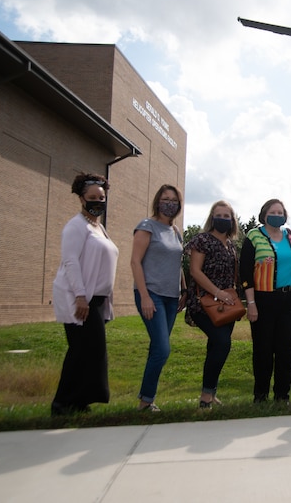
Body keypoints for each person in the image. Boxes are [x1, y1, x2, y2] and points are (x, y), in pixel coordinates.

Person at [51, 173, 119, 416]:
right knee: (82, 350)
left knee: (90, 351)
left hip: (96, 300)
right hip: (80, 298)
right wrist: (80, 296)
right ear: (81, 199)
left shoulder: (97, 227)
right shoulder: (76, 226)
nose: (98, 201)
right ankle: (62, 404)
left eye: (101, 197)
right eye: (92, 197)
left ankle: (79, 401)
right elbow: (71, 262)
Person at [241, 199, 291, 403]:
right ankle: (260, 395)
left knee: (286, 349)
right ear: (264, 214)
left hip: (290, 300)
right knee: (263, 349)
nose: (277, 215)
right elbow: (245, 272)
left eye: (280, 211)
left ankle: (282, 395)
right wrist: (251, 304)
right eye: (273, 211)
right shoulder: (254, 236)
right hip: (263, 300)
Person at [130, 184, 187, 412]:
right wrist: (144, 296)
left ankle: (146, 401)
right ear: (158, 201)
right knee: (162, 349)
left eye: (174, 200)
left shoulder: (175, 232)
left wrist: (184, 289)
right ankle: (146, 400)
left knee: (158, 348)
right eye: (165, 198)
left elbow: (177, 264)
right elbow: (135, 262)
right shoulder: (146, 226)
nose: (169, 203)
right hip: (151, 294)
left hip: (172, 297)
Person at [185, 200, 240, 409]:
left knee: (216, 346)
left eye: (227, 216)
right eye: (219, 215)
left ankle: (209, 393)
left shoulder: (231, 244)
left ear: (232, 220)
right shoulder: (202, 240)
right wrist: (217, 292)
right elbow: (195, 271)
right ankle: (206, 396)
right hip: (204, 303)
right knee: (222, 343)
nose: (223, 219)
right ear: (212, 217)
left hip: (227, 305)